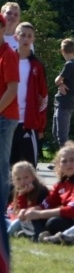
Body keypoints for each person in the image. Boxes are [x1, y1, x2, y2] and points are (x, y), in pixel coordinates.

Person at [18, 141, 74, 240]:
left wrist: (39, 214)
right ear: (59, 165)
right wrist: (30, 211)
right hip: (73, 219)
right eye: (64, 161)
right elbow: (48, 202)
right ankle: (38, 234)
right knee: (33, 217)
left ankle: (36, 234)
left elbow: (72, 211)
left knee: (53, 222)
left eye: (72, 160)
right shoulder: (63, 182)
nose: (68, 164)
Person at [10, 22, 47, 169]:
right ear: (15, 37)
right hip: (7, 121)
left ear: (33, 39)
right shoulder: (7, 60)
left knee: (28, 169)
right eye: (22, 35)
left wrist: (40, 126)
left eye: (29, 36)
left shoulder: (37, 66)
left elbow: (43, 97)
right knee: (7, 169)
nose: (25, 39)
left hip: (28, 123)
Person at [0, 13, 18, 208]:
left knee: (1, 166)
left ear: (3, 29)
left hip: (5, 118)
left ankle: (2, 210)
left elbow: (12, 89)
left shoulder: (8, 54)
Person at [6, 161, 48, 238]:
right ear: (14, 180)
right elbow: (12, 209)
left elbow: (28, 214)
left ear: (33, 176)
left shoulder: (41, 190)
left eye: (26, 177)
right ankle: (19, 233)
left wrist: (22, 195)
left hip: (31, 221)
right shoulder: (16, 190)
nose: (22, 181)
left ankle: (9, 234)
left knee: (16, 223)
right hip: (13, 218)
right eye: (18, 179)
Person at [53, 38, 74, 147]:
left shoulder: (69, 64)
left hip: (64, 103)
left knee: (62, 136)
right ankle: (62, 160)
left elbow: (57, 80)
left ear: (62, 51)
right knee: (56, 133)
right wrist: (62, 84)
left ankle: (67, 161)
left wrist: (60, 83)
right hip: (65, 103)